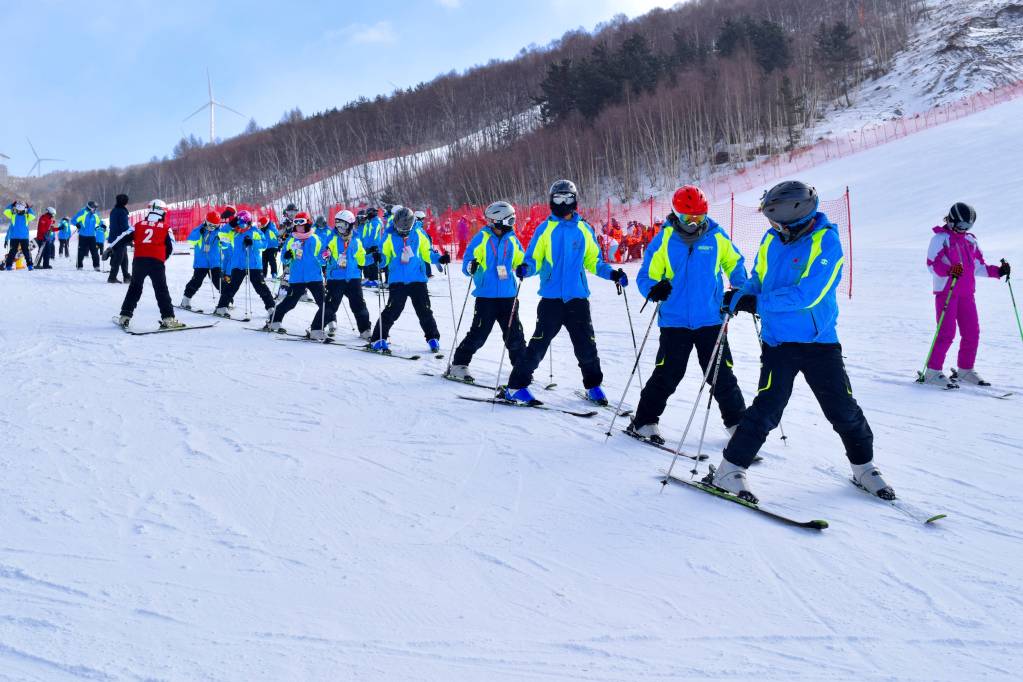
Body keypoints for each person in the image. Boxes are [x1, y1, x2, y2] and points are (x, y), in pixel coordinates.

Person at [708, 180, 891, 504]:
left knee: (843, 410)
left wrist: (758, 304)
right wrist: (740, 296)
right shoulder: (771, 240)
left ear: (794, 219)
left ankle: (863, 467)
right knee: (767, 410)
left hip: (820, 342)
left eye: (775, 222)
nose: (771, 226)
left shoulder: (827, 242)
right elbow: (758, 279)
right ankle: (729, 470)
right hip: (779, 343)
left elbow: (809, 295)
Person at [628, 186, 748, 444]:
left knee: (721, 374)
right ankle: (644, 422)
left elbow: (735, 263)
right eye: (687, 218)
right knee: (668, 373)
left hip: (710, 319)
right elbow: (645, 276)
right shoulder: (664, 239)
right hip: (675, 321)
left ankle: (739, 425)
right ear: (676, 214)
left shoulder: (716, 237)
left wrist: (739, 290)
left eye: (699, 217)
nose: (694, 223)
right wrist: (653, 289)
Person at [502, 180, 628, 405]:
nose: (563, 203)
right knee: (538, 344)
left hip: (578, 298)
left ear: (575, 201)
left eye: (567, 198)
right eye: (558, 198)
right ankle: (515, 387)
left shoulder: (584, 229)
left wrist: (612, 274)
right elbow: (533, 259)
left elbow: (594, 261)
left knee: (586, 345)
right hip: (551, 299)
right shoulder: (545, 229)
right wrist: (526, 268)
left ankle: (594, 387)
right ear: (552, 201)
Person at [920, 203, 1011, 388]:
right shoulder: (941, 239)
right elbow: (932, 265)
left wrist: (998, 271)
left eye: (968, 226)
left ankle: (965, 370)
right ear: (952, 221)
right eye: (961, 225)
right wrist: (949, 270)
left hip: (967, 293)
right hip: (947, 291)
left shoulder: (971, 241)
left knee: (972, 332)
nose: (964, 229)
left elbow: (978, 266)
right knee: (946, 333)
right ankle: (932, 371)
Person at [448, 201, 527, 382]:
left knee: (515, 334)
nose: (513, 223)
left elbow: (521, 260)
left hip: (508, 296)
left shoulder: (512, 240)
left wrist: (524, 267)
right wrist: (471, 266)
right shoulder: (481, 239)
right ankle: (459, 364)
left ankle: (522, 368)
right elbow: (468, 262)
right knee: (479, 334)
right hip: (486, 296)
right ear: (498, 221)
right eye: (510, 220)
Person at [369, 207, 449, 352]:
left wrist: (440, 258)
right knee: (392, 310)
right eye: (400, 229)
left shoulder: (419, 234)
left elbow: (427, 253)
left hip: (417, 279)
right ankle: (378, 338)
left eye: (406, 230)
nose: (403, 232)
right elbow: (384, 258)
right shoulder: (388, 236)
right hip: (397, 280)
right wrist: (379, 259)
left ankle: (433, 338)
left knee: (424, 311)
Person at [108, 200, 183, 329]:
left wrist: (111, 248)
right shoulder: (166, 227)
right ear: (162, 212)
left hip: (139, 261)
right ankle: (168, 318)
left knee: (135, 288)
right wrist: (161, 259)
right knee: (161, 289)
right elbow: (171, 248)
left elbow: (124, 237)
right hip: (157, 262)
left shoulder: (138, 225)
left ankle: (125, 316)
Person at [266, 212, 327, 336]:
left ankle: (325, 324)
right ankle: (274, 320)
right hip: (297, 276)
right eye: (296, 223)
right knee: (290, 302)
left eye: (301, 223)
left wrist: (325, 256)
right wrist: (286, 256)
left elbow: (322, 256)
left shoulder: (315, 238)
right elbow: (284, 257)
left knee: (323, 302)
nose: (298, 226)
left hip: (314, 276)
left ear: (308, 224)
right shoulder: (292, 239)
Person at [213, 210, 276, 318]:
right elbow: (221, 233)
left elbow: (264, 244)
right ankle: (221, 307)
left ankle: (271, 308)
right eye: (239, 223)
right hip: (238, 265)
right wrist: (230, 224)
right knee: (232, 287)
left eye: (243, 223)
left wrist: (252, 242)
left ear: (248, 222)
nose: (241, 226)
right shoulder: (234, 233)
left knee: (261, 287)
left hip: (254, 265)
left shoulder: (255, 232)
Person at [320, 210, 372, 339]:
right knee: (331, 306)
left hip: (353, 277)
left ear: (350, 225)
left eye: (343, 225)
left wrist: (373, 257)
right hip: (336, 277)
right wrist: (325, 255)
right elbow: (321, 258)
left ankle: (365, 330)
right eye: (337, 225)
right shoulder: (331, 237)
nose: (340, 228)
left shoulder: (355, 239)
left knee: (359, 305)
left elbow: (362, 259)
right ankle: (317, 328)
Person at [180, 212, 224, 309]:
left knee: (220, 282)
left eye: (215, 226)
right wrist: (199, 233)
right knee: (196, 281)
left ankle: (226, 301)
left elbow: (227, 245)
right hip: (201, 263)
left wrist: (223, 241)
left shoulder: (220, 233)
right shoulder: (198, 230)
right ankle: (186, 299)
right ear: (205, 221)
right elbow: (191, 240)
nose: (212, 228)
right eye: (210, 225)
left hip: (215, 263)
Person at [106, 194, 132, 283]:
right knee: (118, 258)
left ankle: (126, 276)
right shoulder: (122, 212)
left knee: (124, 258)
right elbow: (124, 227)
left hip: (114, 237)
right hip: (120, 239)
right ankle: (112, 277)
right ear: (125, 202)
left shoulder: (113, 210)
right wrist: (129, 238)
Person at [2, 201, 36, 271]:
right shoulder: (13, 215)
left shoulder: (26, 216)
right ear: (16, 210)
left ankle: (30, 265)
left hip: (24, 237)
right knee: (12, 251)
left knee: (26, 251)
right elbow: (6, 212)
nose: (19, 211)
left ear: (24, 210)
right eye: (18, 210)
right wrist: (11, 205)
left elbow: (33, 216)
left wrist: (29, 208)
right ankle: (9, 266)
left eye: (21, 210)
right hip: (14, 237)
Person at [74, 200, 103, 270]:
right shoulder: (82, 213)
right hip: (83, 235)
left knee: (94, 251)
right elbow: (74, 220)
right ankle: (79, 266)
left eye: (96, 209)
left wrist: (102, 225)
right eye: (94, 208)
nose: (95, 210)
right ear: (90, 207)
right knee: (81, 251)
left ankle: (96, 266)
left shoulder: (95, 214)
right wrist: (77, 224)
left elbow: (100, 221)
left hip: (92, 236)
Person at [360, 207, 383, 287]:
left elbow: (373, 235)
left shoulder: (375, 223)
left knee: (373, 263)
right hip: (369, 245)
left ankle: (376, 279)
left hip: (373, 245)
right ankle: (371, 279)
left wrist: (368, 246)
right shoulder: (370, 222)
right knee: (369, 263)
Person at [260, 216, 280, 280]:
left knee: (272, 259)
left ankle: (274, 273)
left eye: (263, 226)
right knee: (264, 260)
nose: (261, 227)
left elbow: (278, 237)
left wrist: (279, 245)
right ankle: (263, 274)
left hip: (273, 247)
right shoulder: (263, 229)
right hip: (265, 247)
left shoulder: (272, 229)